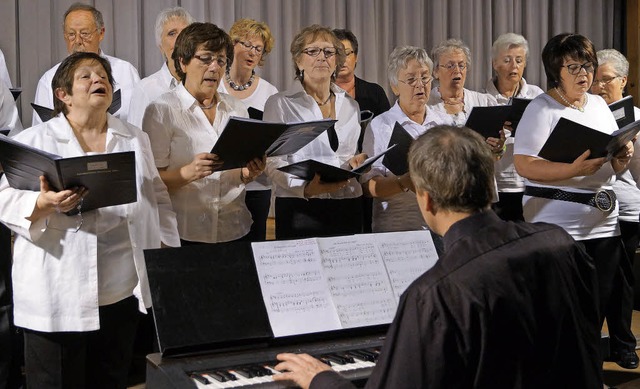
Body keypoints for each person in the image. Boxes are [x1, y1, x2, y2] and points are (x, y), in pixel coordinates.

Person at [272, 125, 602, 389]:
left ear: (426, 200)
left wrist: (321, 379)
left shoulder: (435, 295)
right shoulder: (559, 242)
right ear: (489, 185)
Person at [0, 51, 180, 389]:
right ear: (63, 95)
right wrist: (42, 202)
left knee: (110, 380)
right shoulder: (34, 142)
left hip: (120, 292)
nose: (99, 80)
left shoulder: (134, 138)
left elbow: (157, 196)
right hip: (57, 294)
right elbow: (3, 199)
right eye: (87, 76)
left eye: (104, 77)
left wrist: (167, 254)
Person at [514, 33, 634, 365]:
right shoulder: (542, 108)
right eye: (574, 67)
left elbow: (611, 160)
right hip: (560, 227)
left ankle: (588, 375)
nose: (584, 73)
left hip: (604, 225)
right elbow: (525, 164)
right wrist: (572, 169)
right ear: (557, 71)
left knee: (595, 311)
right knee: (564, 312)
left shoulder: (597, 104)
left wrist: (622, 154)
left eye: (588, 65)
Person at [143, 22, 265, 245]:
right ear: (183, 62)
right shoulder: (161, 110)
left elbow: (238, 174)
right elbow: (150, 181)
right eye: (205, 58)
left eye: (220, 60)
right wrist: (188, 172)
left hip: (235, 228)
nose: (214, 67)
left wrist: (248, 174)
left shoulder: (236, 108)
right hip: (185, 233)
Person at [263, 25, 366, 239]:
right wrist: (306, 189)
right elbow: (273, 162)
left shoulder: (350, 105)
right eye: (312, 51)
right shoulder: (279, 103)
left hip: (347, 203)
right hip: (300, 205)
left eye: (329, 52)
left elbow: (348, 154)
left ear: (336, 60)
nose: (322, 57)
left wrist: (358, 162)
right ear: (299, 60)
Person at [361, 46, 450, 233]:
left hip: (439, 227)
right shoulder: (380, 125)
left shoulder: (444, 122)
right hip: (396, 227)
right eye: (411, 79)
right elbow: (368, 186)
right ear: (395, 87)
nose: (420, 85)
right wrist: (403, 182)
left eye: (425, 77)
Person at [590, 48, 640, 369]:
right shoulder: (587, 112)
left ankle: (623, 344)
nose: (599, 87)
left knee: (622, 281)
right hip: (591, 209)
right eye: (596, 81)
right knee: (594, 281)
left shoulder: (636, 115)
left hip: (627, 208)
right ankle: (589, 346)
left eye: (606, 80)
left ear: (622, 80)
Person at [32, 2, 140, 126]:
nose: (78, 41)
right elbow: (40, 132)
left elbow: (139, 122)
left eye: (84, 34)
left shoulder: (126, 72)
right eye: (71, 34)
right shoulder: (48, 79)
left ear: (101, 33)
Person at [219, 18, 278, 241]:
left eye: (259, 49)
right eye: (247, 44)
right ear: (233, 44)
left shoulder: (269, 92)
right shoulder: (215, 84)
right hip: (222, 182)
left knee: (255, 248)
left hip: (257, 185)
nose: (253, 52)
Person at [484, 33, 544, 221]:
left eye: (519, 60)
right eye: (507, 60)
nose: (514, 66)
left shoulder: (537, 96)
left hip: (530, 182)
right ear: (495, 64)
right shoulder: (482, 99)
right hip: (496, 185)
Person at [427, 38, 504, 158]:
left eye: (461, 65)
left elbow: (496, 154)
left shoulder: (485, 102)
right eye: (450, 66)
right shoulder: (426, 105)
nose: (457, 70)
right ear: (436, 71)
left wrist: (498, 147)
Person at [127, 6, 195, 129]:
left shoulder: (206, 84)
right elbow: (136, 139)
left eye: (185, 32)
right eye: (172, 33)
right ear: (160, 46)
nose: (180, 38)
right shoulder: (146, 89)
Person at [332, 28, 391, 149]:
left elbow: (388, 132)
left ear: (356, 57)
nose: (342, 60)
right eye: (337, 54)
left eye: (347, 53)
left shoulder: (374, 93)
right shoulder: (319, 95)